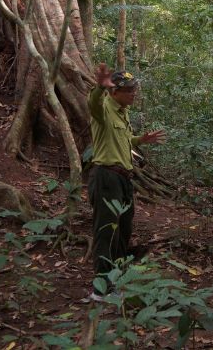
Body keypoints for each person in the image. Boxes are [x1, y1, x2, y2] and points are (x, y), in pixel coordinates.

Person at [86, 63, 166, 301]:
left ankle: (115, 280)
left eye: (134, 89)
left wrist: (141, 139)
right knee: (105, 232)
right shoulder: (103, 108)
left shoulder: (122, 111)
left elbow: (124, 139)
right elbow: (92, 103)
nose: (133, 94)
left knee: (123, 231)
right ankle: (100, 290)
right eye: (129, 90)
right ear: (114, 92)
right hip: (106, 177)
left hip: (123, 179)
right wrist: (99, 86)